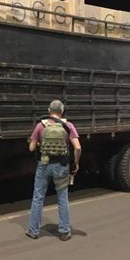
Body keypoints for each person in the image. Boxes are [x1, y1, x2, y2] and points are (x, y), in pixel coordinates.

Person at [26, 100, 81, 241]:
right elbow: (78, 147)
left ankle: (33, 231)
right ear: (62, 111)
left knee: (38, 197)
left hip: (43, 165)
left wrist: (37, 143)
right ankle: (64, 231)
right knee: (62, 197)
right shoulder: (68, 126)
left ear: (49, 110)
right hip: (61, 166)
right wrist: (75, 163)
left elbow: (31, 148)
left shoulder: (40, 125)